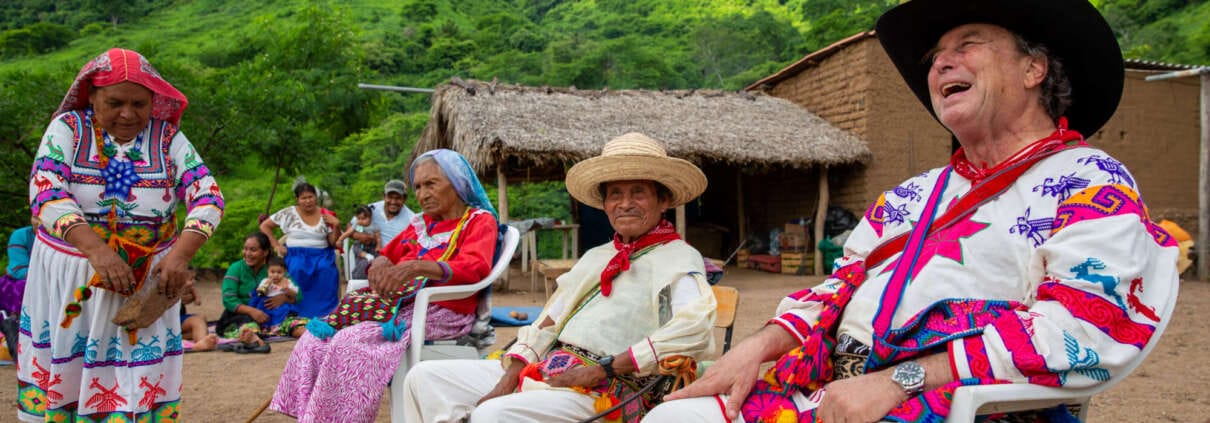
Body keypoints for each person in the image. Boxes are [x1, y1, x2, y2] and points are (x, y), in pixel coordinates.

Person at [646, 1, 1181, 422]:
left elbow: (1084, 325)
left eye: (967, 46)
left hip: (962, 407)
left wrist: (897, 383)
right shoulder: (911, 195)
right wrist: (757, 348)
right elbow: (838, 286)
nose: (942, 62)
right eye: (937, 58)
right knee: (674, 416)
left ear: (1034, 69)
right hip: (831, 391)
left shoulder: (1088, 180)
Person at [401, 132, 718, 422]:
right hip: (552, 370)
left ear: (663, 201)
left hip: (606, 389)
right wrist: (510, 376)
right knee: (424, 377)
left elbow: (694, 327)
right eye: (615, 194)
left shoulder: (679, 257)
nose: (625, 203)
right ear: (605, 204)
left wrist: (603, 369)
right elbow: (550, 319)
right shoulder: (597, 256)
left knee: (493, 415)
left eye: (639, 192)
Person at [19, 48, 224, 421]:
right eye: (114, 102)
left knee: (139, 381)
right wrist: (97, 251)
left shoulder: (168, 138)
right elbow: (46, 190)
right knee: (71, 376)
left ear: (154, 101)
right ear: (92, 96)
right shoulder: (68, 129)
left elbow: (208, 196)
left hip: (147, 284)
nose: (128, 114)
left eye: (139, 103)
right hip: (74, 280)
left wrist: (179, 257)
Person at [270, 148, 500, 422]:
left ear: (457, 182)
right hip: (396, 306)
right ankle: (311, 417)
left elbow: (476, 267)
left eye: (431, 184)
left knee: (350, 342)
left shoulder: (478, 221)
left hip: (442, 311)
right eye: (417, 186)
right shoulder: (420, 225)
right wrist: (379, 264)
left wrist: (417, 266)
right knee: (316, 337)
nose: (423, 194)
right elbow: (386, 255)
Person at [260, 182, 341, 318]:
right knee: (297, 268)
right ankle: (297, 313)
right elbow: (265, 226)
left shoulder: (325, 215)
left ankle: (326, 313)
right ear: (297, 199)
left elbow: (332, 243)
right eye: (303, 198)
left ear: (316, 197)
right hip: (296, 254)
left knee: (326, 270)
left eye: (311, 197)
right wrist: (276, 246)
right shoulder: (288, 213)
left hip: (321, 254)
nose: (308, 201)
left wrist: (337, 225)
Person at [217, 232, 307, 347]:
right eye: (245, 249)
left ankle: (313, 338)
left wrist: (284, 297)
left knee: (295, 324)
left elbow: (298, 295)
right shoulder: (236, 268)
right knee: (248, 327)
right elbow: (228, 299)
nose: (247, 253)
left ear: (265, 252)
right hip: (242, 315)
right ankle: (253, 337)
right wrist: (252, 311)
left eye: (253, 250)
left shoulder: (274, 269)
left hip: (274, 315)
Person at [352, 179, 416, 251]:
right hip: (369, 253)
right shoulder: (371, 209)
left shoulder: (412, 219)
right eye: (390, 197)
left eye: (398, 198)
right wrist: (359, 235)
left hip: (396, 259)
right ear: (384, 196)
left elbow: (414, 245)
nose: (393, 202)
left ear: (404, 199)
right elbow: (351, 224)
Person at [0, 218, 35, 316]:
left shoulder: (64, 237)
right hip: (19, 282)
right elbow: (19, 270)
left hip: (52, 281)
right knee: (24, 287)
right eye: (36, 217)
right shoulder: (21, 235)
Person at [179, 269, 218, 351]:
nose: (193, 282)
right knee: (196, 321)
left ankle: (181, 337)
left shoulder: (189, 289)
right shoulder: (174, 289)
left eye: (193, 279)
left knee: (201, 317)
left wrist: (195, 299)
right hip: (171, 320)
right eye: (190, 279)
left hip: (180, 317)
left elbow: (196, 300)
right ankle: (201, 342)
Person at [338, 205, 380, 278]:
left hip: (372, 245)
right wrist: (340, 239)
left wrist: (378, 246)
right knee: (356, 247)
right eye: (358, 218)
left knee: (376, 254)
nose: (360, 221)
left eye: (363, 218)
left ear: (370, 217)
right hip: (360, 244)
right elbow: (348, 232)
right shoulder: (356, 224)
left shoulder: (374, 225)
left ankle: (371, 260)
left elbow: (378, 238)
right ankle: (366, 256)